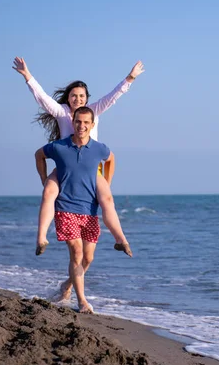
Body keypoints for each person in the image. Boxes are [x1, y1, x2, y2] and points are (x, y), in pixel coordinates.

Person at [13, 57, 144, 257]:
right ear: (68, 98)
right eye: (74, 96)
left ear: (87, 98)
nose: (78, 99)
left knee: (107, 198)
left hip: (91, 168)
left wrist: (130, 78)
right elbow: (42, 98)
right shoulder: (61, 112)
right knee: (48, 192)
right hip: (65, 167)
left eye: (82, 96)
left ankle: (121, 240)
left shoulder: (93, 111)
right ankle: (41, 238)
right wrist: (27, 76)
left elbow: (113, 96)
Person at [35, 106, 112, 313]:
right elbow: (39, 155)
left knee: (88, 258)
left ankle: (67, 285)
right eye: (78, 122)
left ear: (92, 125)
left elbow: (111, 158)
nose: (82, 126)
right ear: (73, 122)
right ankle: (82, 301)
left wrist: (106, 181)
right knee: (76, 253)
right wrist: (44, 179)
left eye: (86, 122)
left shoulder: (98, 148)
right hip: (66, 206)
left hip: (88, 207)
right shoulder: (59, 146)